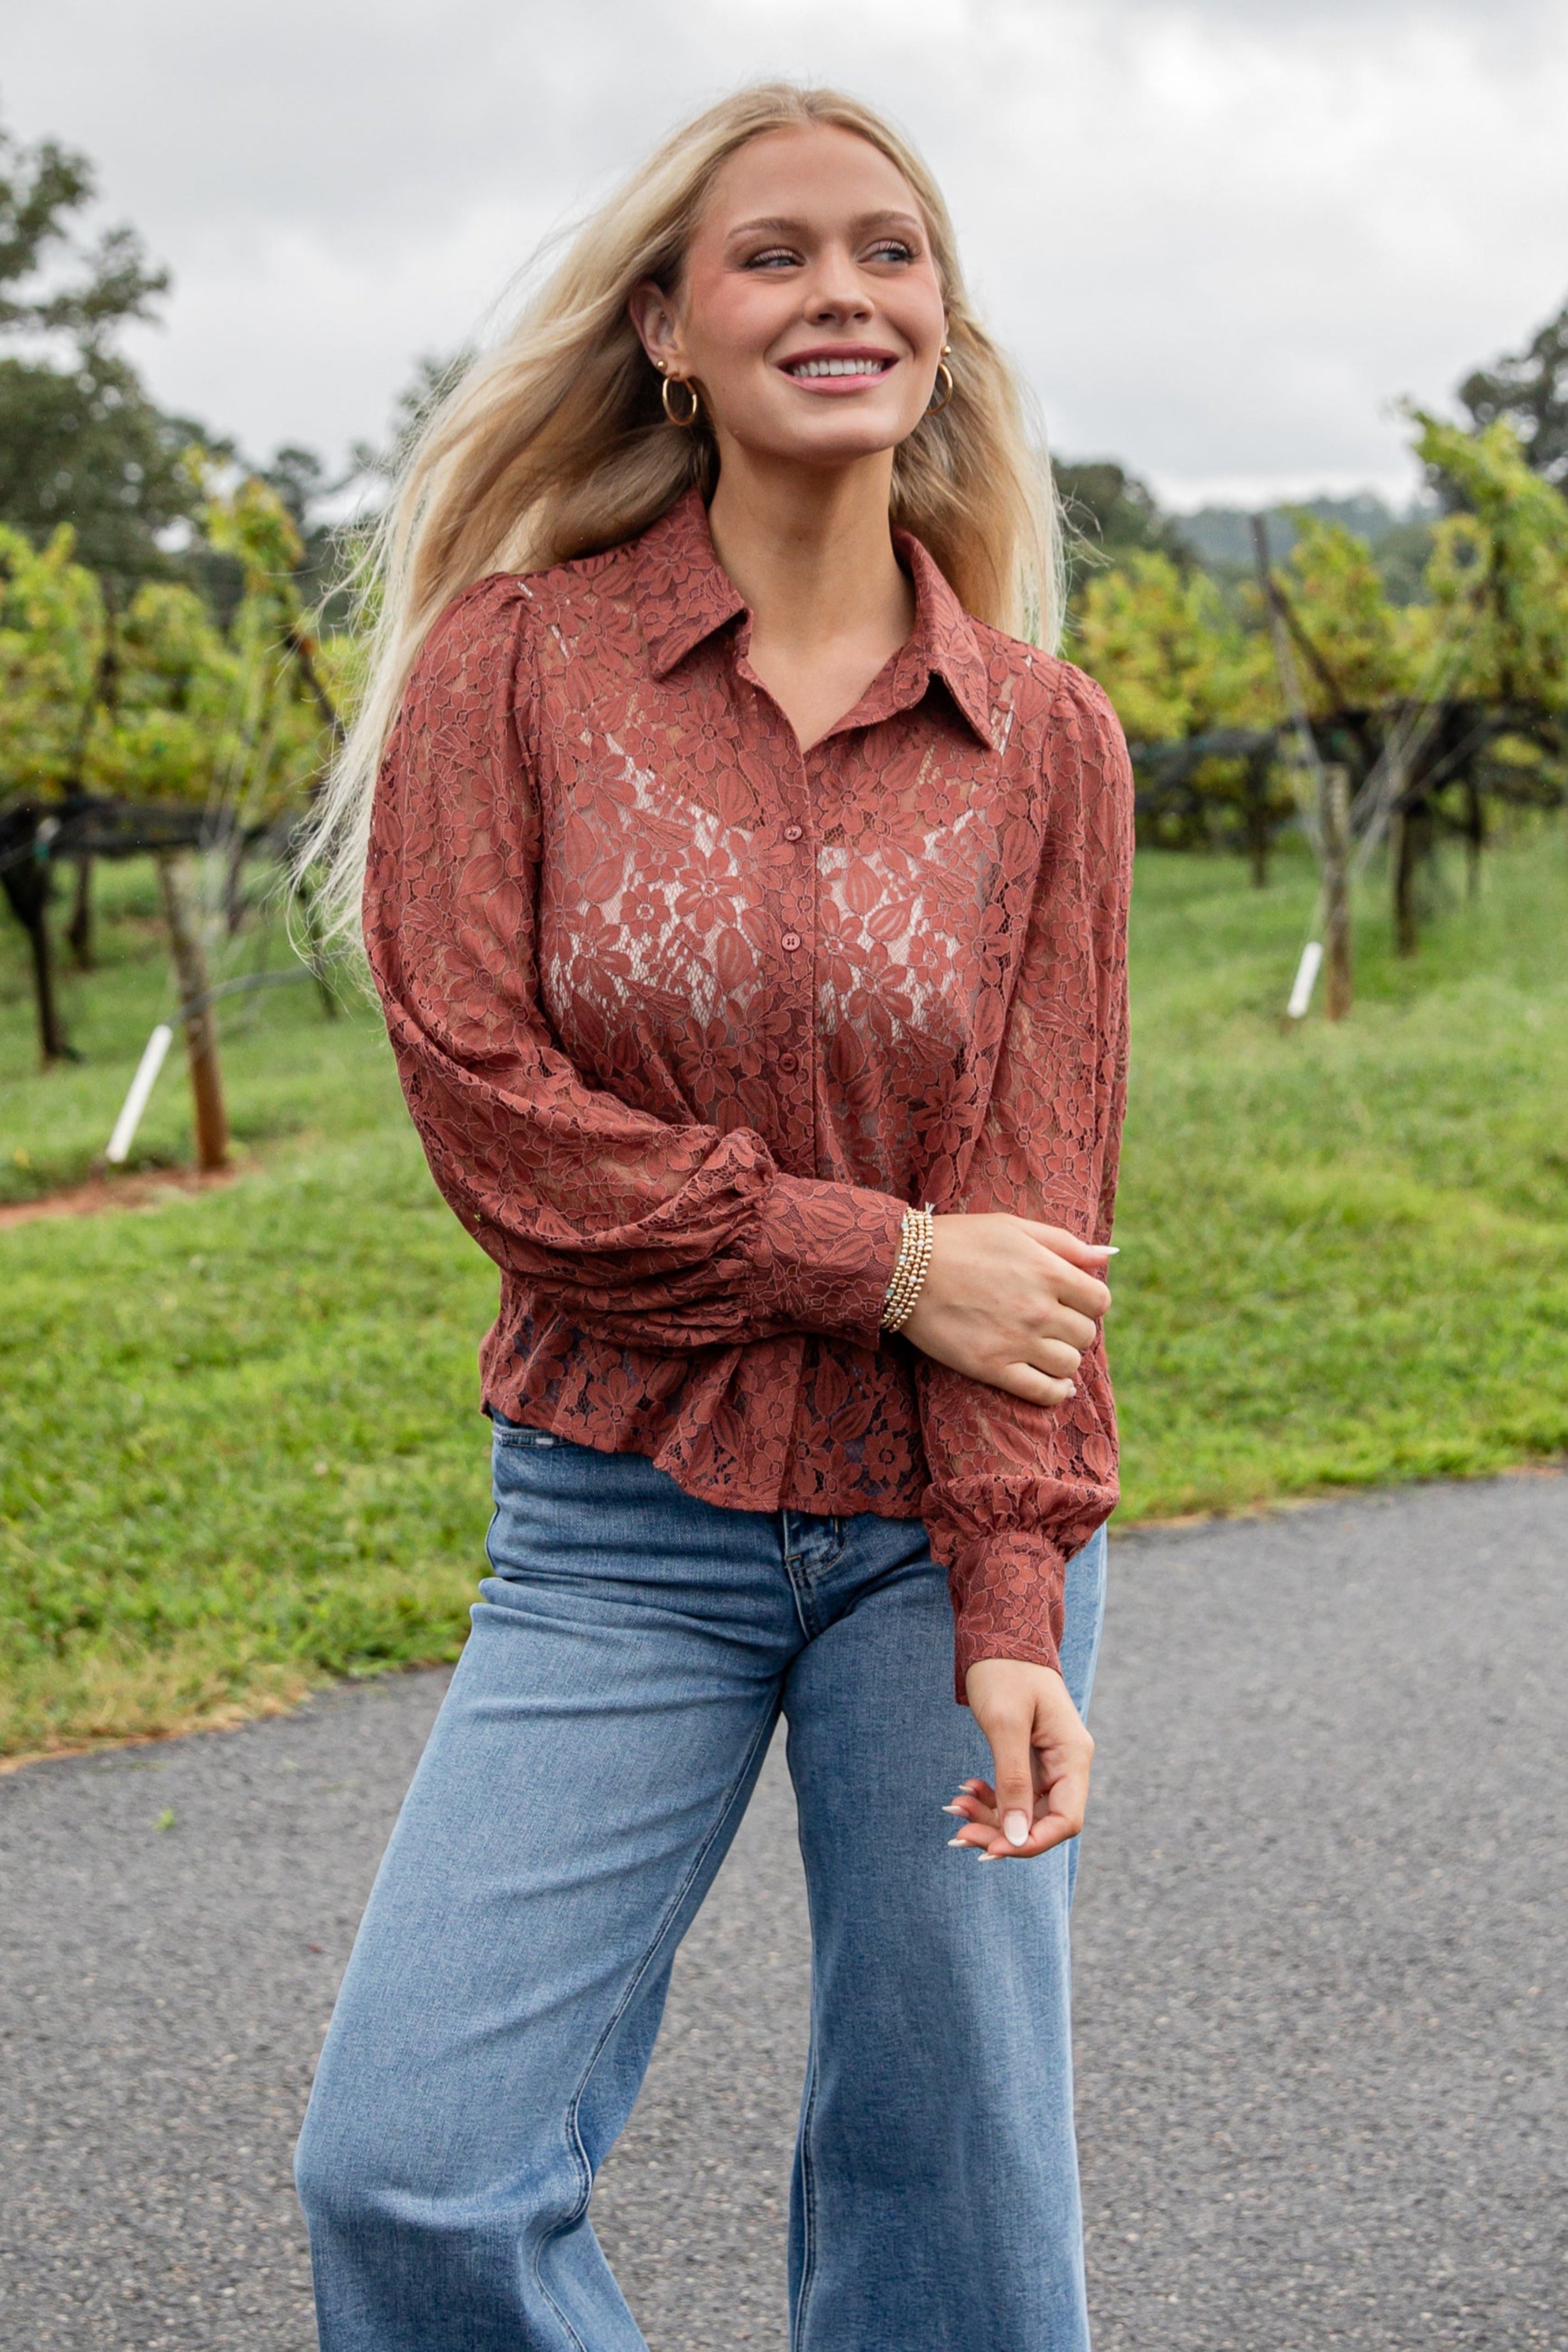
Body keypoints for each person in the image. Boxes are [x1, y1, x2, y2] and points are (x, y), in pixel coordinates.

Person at [293, 80, 1132, 2352]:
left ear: (940, 326)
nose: (840, 291)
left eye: (887, 250)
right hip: (611, 1525)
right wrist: (874, 1261)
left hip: (921, 1546)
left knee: (952, 2210)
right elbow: (500, 1123)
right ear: (666, 326)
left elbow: (1034, 1216)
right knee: (410, 2174)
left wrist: (1013, 1590)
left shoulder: (1045, 740)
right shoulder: (513, 670)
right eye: (774, 254)